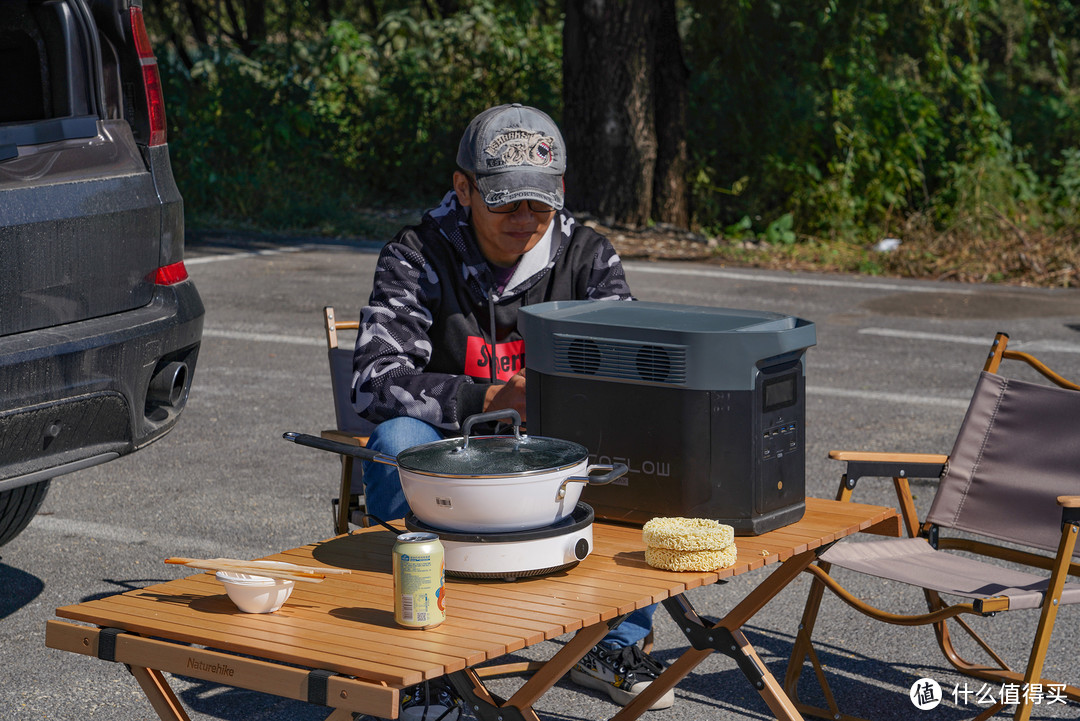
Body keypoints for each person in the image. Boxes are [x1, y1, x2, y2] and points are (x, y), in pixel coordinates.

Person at [351, 103, 672, 718]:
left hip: (556, 457)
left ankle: (616, 642)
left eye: (540, 203)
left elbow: (629, 373)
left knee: (642, 441)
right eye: (505, 204)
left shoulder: (587, 256)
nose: (525, 220)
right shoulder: (417, 254)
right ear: (464, 189)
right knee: (394, 440)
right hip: (450, 452)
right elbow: (373, 381)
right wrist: (487, 399)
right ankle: (420, 660)